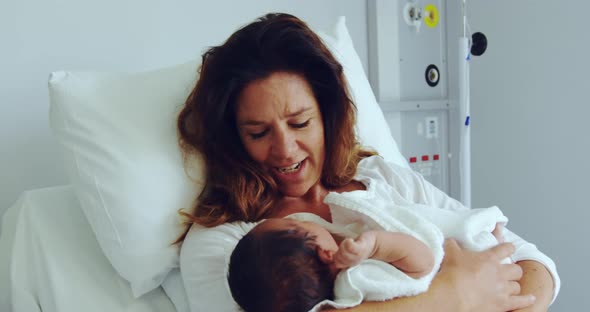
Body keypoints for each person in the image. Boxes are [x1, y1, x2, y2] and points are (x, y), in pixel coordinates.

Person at [176, 12, 559, 312]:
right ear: (234, 138)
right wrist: (456, 294)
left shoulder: (378, 178)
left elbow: (533, 264)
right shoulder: (229, 242)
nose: (285, 150)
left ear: (327, 116)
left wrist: (498, 299)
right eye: (258, 133)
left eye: (300, 123)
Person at [227, 217, 435, 312]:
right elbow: (423, 263)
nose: (300, 218)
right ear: (326, 253)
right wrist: (374, 245)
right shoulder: (359, 280)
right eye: (297, 223)